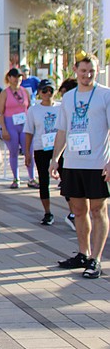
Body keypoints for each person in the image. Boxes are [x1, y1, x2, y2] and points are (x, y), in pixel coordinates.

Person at [51, 53, 110, 279]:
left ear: (97, 71)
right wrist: (56, 158)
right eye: (83, 71)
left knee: (98, 210)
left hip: (97, 163)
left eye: (91, 71)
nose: (87, 75)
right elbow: (62, 131)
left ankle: (96, 259)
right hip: (73, 163)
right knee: (78, 210)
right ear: (75, 70)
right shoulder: (68, 98)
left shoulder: (105, 95)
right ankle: (83, 253)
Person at [24, 79, 60, 225]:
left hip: (59, 149)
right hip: (41, 148)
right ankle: (47, 212)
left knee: (68, 180)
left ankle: (72, 212)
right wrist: (27, 152)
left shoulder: (61, 107)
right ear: (39, 92)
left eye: (51, 90)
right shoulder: (34, 110)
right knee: (43, 181)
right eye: (44, 90)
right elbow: (29, 132)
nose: (48, 93)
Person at [0, 68, 35, 188]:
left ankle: (32, 177)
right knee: (13, 152)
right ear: (9, 78)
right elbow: (1, 112)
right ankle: (16, 178)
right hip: (10, 123)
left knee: (28, 151)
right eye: (14, 76)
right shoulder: (5, 93)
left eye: (19, 76)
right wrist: (3, 128)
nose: (16, 79)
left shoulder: (25, 91)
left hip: (24, 124)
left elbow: (29, 108)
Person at [57, 78, 78, 229]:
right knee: (69, 187)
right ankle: (73, 214)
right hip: (67, 154)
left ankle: (77, 214)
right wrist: (55, 158)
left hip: (88, 156)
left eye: (66, 93)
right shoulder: (63, 106)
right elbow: (61, 130)